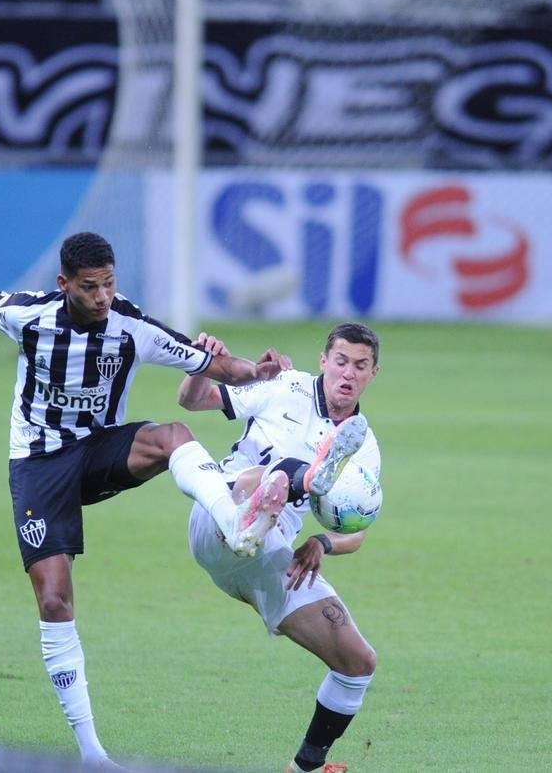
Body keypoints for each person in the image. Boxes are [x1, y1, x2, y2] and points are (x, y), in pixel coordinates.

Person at [0, 232, 293, 770]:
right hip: (39, 465)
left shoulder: (131, 326)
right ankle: (92, 755)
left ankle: (235, 522)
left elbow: (214, 367)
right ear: (64, 284)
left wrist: (256, 371)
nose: (101, 297)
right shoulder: (30, 314)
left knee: (172, 436)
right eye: (90, 287)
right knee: (54, 600)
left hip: (98, 451)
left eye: (109, 284)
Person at [178, 322, 382, 773]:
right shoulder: (284, 385)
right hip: (221, 511)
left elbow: (360, 528)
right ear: (324, 361)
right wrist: (200, 363)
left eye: (360, 366)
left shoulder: (364, 446)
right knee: (264, 477)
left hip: (266, 556)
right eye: (341, 361)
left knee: (358, 662)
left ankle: (305, 767)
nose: (348, 373)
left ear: (373, 373)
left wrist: (322, 541)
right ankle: (289, 480)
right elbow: (193, 400)